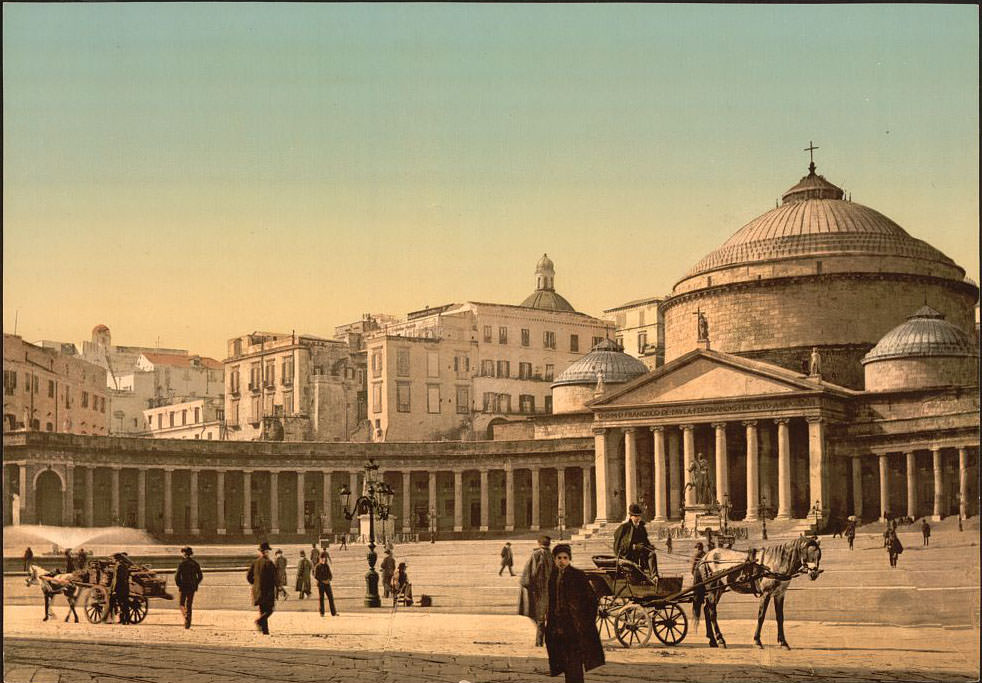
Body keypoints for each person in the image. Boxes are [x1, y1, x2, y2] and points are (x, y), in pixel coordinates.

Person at [544, 544, 605, 683]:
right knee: (564, 661)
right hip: (558, 626)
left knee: (574, 662)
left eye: (565, 558)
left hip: (574, 626)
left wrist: (585, 621)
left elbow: (592, 600)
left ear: (569, 559)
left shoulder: (578, 575)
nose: (562, 561)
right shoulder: (553, 576)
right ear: (554, 559)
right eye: (559, 558)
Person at [519, 536, 554, 647]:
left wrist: (528, 584)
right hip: (552, 589)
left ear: (539, 543)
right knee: (550, 616)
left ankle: (539, 641)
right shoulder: (553, 555)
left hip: (539, 589)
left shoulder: (536, 554)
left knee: (539, 617)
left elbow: (532, 572)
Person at [613, 504, 657, 577]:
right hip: (628, 556)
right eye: (635, 516)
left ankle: (654, 577)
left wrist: (649, 547)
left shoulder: (641, 528)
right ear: (631, 516)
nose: (637, 518)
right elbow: (618, 546)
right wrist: (633, 547)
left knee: (652, 554)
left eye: (639, 516)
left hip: (640, 555)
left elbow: (645, 542)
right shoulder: (624, 528)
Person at [247, 541, 277, 635]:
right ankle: (260, 621)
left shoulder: (255, 562)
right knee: (270, 609)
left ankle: (265, 631)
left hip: (257, 591)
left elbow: (248, 576)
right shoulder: (269, 563)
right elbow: (274, 578)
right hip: (267, 590)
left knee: (262, 609)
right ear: (266, 551)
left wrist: (255, 584)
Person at [175, 546, 203, 629]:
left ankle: (186, 615)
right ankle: (188, 624)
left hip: (183, 586)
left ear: (184, 553)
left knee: (181, 604)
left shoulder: (182, 563)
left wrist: (179, 584)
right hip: (192, 587)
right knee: (189, 604)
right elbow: (200, 576)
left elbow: (177, 576)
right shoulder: (195, 563)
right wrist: (195, 583)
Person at [313, 552, 338, 616]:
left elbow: (330, 574)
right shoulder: (317, 566)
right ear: (320, 559)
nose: (323, 560)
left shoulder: (326, 566)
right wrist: (323, 581)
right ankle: (322, 612)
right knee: (321, 598)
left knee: (330, 597)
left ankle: (333, 612)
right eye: (322, 559)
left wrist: (329, 580)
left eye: (324, 559)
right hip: (321, 584)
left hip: (327, 583)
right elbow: (316, 576)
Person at [111, 553, 131, 625]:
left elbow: (116, 579)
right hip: (125, 587)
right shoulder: (125, 565)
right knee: (125, 603)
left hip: (119, 587)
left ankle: (122, 620)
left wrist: (114, 590)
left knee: (120, 603)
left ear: (116, 559)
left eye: (112, 559)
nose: (112, 560)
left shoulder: (118, 566)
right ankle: (127, 619)